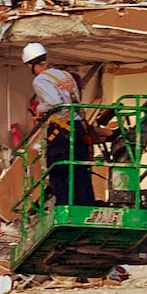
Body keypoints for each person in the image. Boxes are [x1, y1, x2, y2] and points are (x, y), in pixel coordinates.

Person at [22, 43, 98, 208]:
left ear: (31, 65)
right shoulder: (65, 75)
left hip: (61, 131)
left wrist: (39, 109)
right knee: (80, 171)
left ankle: (63, 208)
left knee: (58, 170)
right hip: (77, 126)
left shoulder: (40, 80)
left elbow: (53, 103)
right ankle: (86, 207)